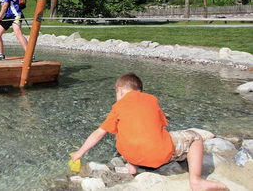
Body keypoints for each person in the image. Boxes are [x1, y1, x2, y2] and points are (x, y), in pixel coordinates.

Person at [71, 73, 228, 191]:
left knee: (122, 130)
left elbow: (99, 133)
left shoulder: (117, 107)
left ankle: (132, 166)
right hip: (158, 155)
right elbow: (160, 126)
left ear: (119, 90)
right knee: (196, 137)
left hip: (131, 154)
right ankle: (196, 180)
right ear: (139, 90)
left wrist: (79, 153)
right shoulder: (152, 99)